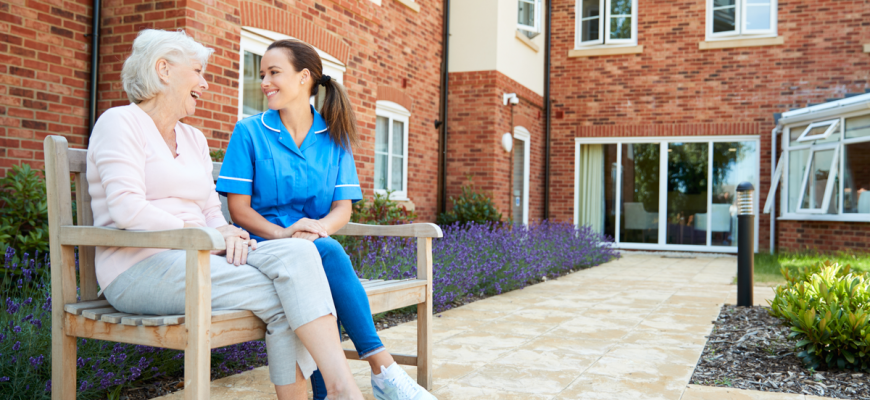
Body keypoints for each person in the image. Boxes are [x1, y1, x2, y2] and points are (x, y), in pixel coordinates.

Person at [87, 29, 363, 400]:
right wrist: (209, 235)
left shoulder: (193, 138)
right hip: (138, 267)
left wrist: (227, 232)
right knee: (288, 294)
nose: (204, 82)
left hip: (200, 256)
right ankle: (343, 389)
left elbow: (208, 211)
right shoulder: (120, 122)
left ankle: (339, 388)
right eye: (198, 71)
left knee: (301, 254)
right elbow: (126, 208)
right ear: (164, 70)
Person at [217, 39, 437, 400]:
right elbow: (239, 211)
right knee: (328, 254)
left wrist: (314, 231)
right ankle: (383, 369)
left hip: (314, 245)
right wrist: (286, 233)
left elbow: (342, 209)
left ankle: (329, 393)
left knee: (321, 257)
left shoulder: (334, 136)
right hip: (262, 246)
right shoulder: (250, 132)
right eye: (262, 74)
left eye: (274, 73)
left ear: (305, 78)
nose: (265, 82)